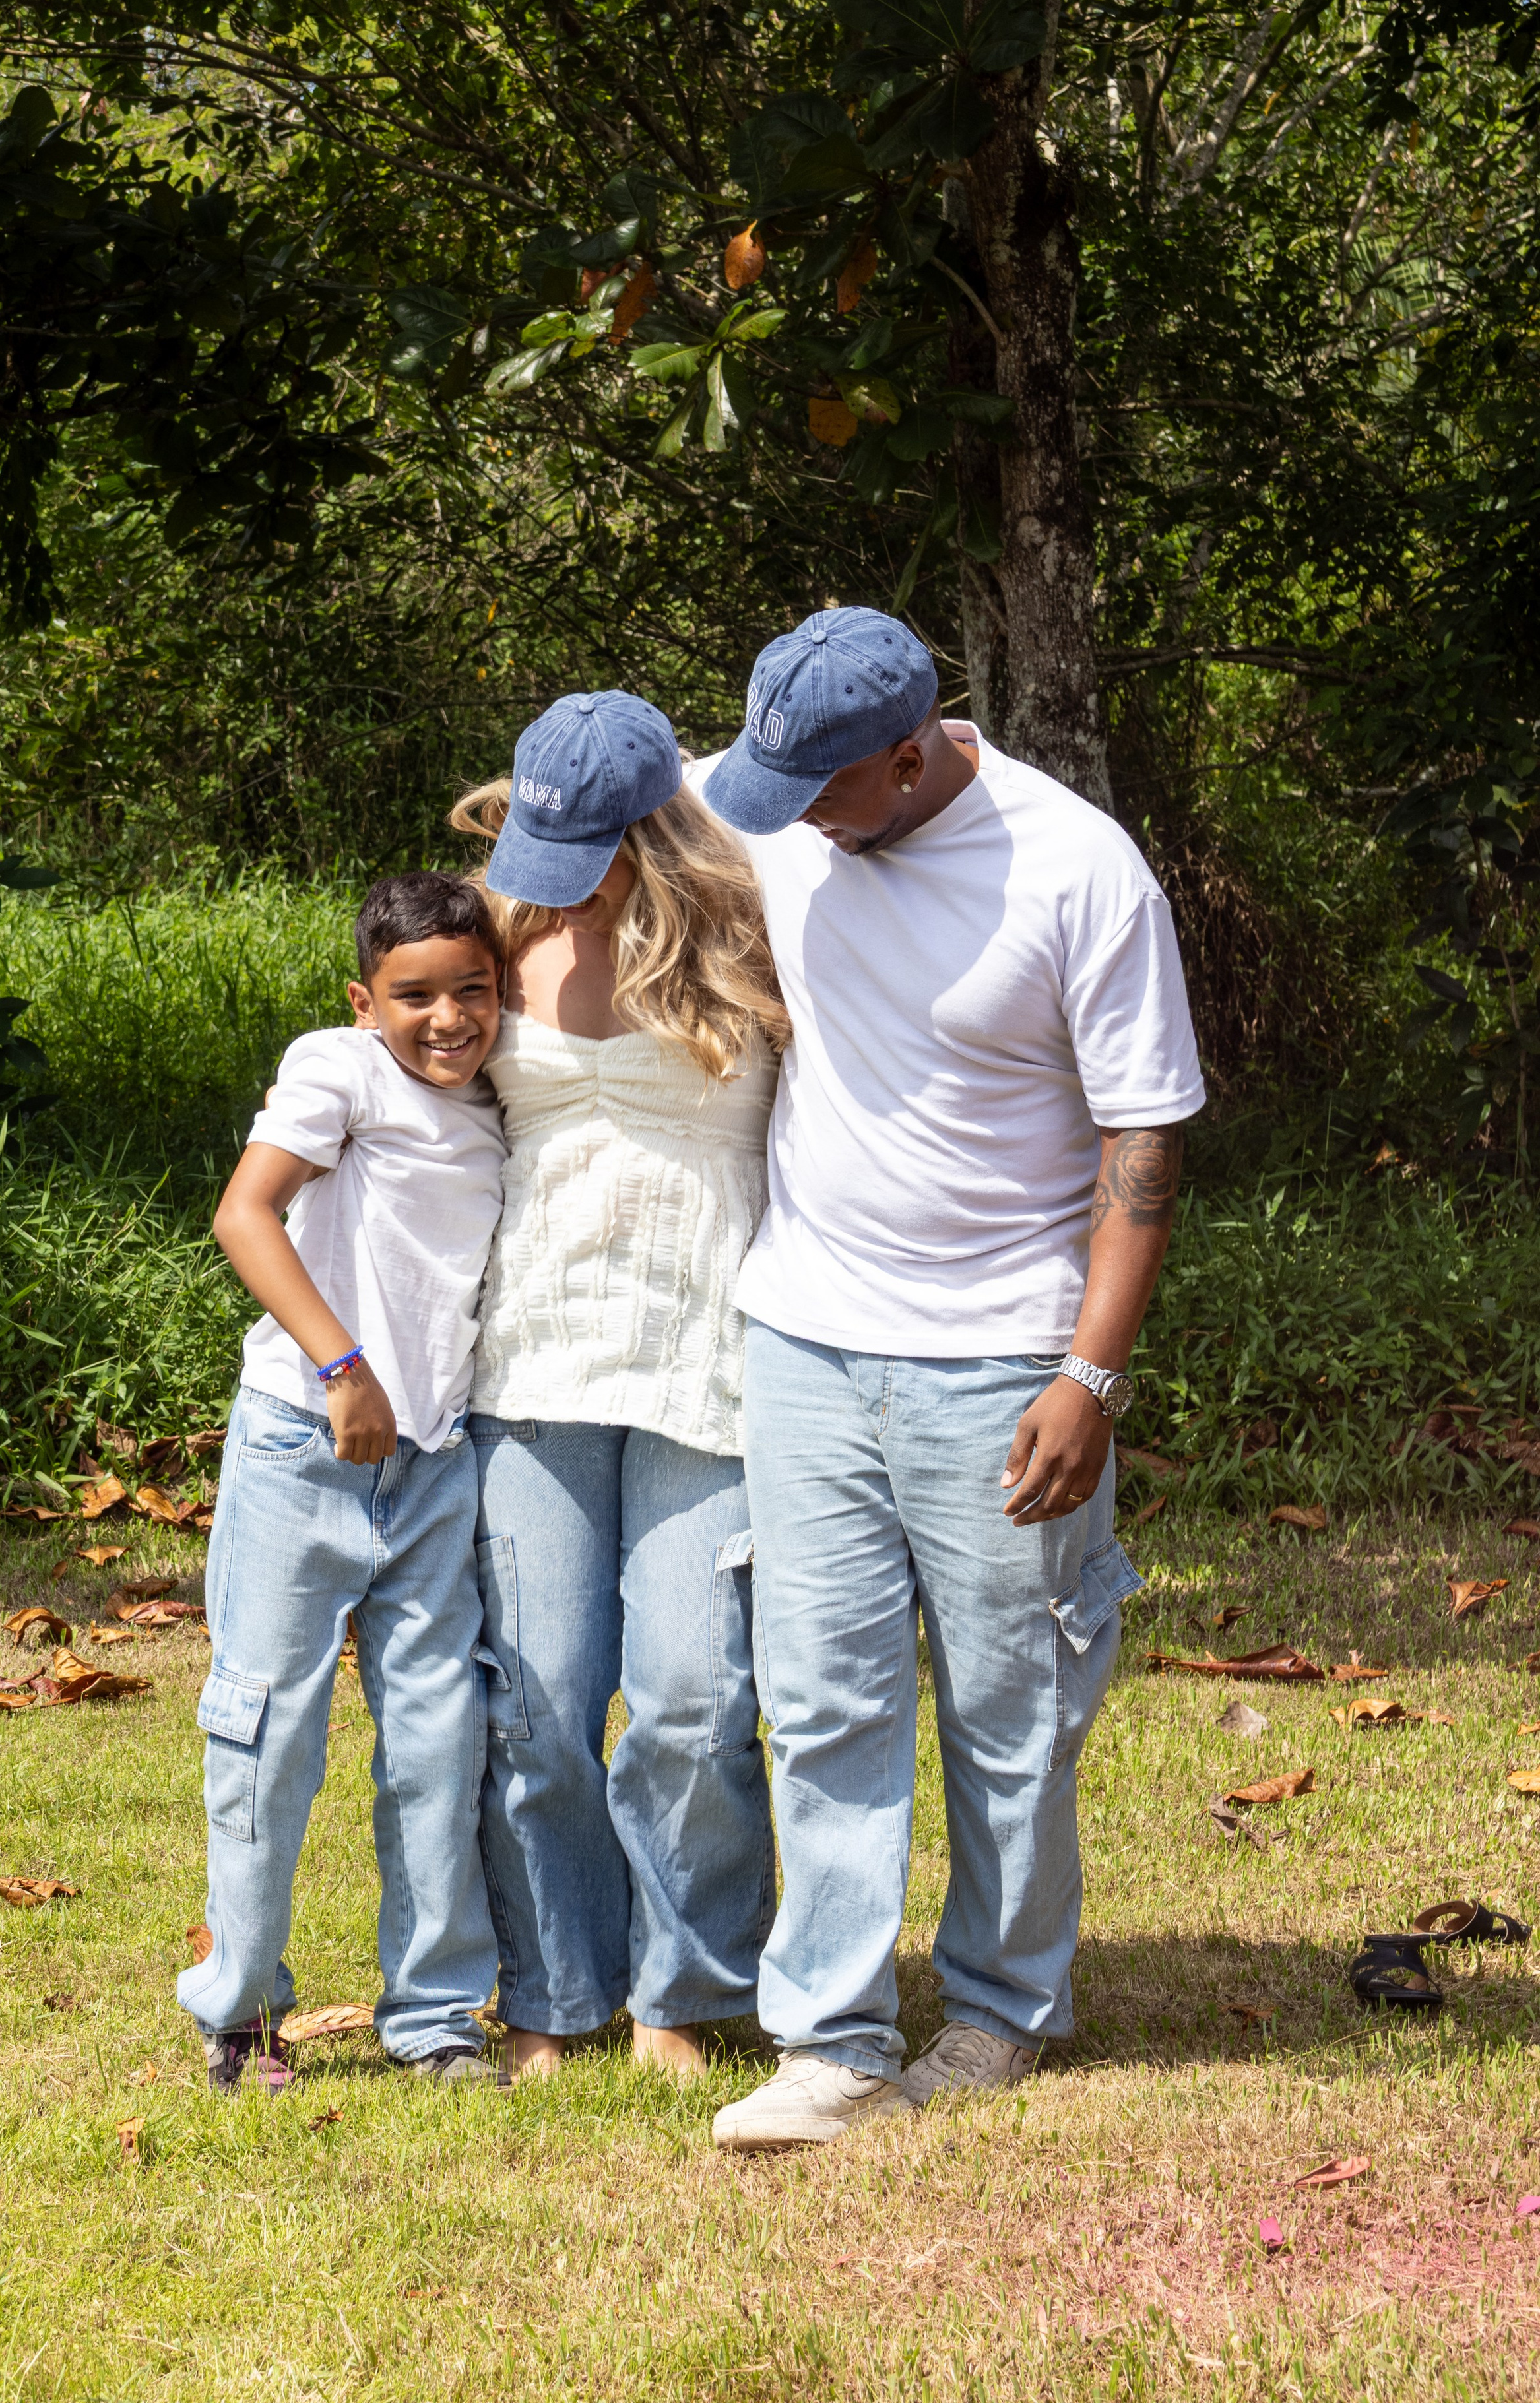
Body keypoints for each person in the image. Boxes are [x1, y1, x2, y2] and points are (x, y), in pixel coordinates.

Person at [691, 608, 1205, 2150]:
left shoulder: (1074, 870)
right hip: (803, 1336)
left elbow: (1143, 1144)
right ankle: (831, 2038)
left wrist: (1087, 1380)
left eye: (823, 795)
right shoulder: (773, 794)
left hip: (999, 1355)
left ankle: (997, 2010)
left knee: (1011, 1704)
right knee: (821, 1692)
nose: (788, 825)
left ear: (910, 756)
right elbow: (611, 804)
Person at [450, 689, 788, 2082]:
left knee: (694, 1696)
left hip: (706, 1350)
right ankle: (551, 1987)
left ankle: (682, 1987)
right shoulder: (497, 928)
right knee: (535, 1697)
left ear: (650, 829)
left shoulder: (760, 924)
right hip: (528, 1349)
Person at [179, 871, 507, 2093]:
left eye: (472, 991)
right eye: (416, 995)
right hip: (302, 1444)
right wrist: (343, 1366)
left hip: (433, 1465)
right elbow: (245, 1215)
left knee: (436, 1738)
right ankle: (241, 2006)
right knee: (267, 1732)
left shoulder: (497, 1103)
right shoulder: (338, 1067)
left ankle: (430, 2016)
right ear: (366, 1001)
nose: (448, 1019)